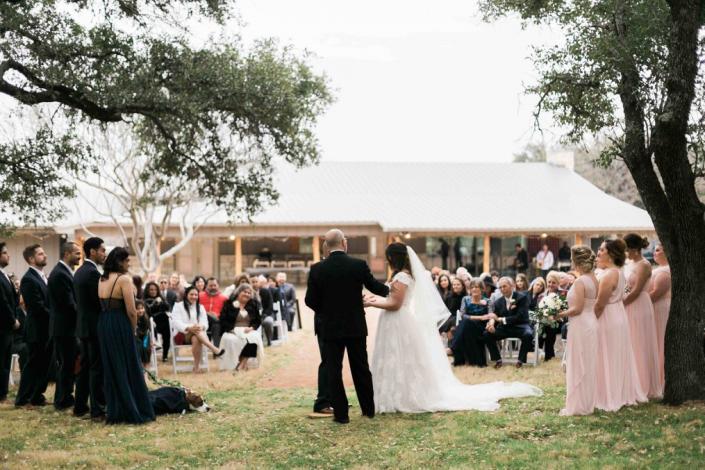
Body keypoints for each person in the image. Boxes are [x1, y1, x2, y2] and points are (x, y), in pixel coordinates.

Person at [365, 243, 542, 413]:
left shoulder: (402, 277)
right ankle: (393, 395)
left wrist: (373, 303)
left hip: (397, 320)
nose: (386, 261)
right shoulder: (403, 275)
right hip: (395, 320)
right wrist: (376, 300)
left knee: (399, 356)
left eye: (388, 257)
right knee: (396, 357)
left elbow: (395, 304)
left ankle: (401, 396)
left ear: (393, 258)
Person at [305, 229, 389, 424]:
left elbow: (310, 300)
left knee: (334, 370)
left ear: (326, 245)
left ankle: (341, 415)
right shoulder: (358, 265)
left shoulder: (317, 269)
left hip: (330, 327)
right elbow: (374, 286)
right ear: (344, 242)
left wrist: (327, 310)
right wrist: (392, 290)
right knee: (361, 367)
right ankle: (368, 410)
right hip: (355, 325)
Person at [98, 247, 155, 424]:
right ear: (120, 261)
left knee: (112, 367)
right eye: (127, 260)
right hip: (120, 323)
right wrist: (132, 329)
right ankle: (132, 407)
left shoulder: (102, 279)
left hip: (104, 323)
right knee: (128, 365)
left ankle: (115, 409)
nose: (129, 264)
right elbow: (131, 310)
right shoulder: (123, 279)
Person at [594, 239, 647, 412]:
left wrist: (590, 321)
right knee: (614, 354)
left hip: (608, 316)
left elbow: (600, 304)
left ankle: (608, 394)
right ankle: (617, 391)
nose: (598, 252)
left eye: (601, 250)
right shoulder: (616, 272)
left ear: (610, 254)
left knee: (607, 354)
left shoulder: (610, 274)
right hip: (617, 314)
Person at [556, 246, 599, 416]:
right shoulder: (594, 279)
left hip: (581, 324)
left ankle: (579, 405)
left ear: (577, 262)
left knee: (579, 362)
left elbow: (577, 308)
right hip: (590, 322)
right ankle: (586, 402)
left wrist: (558, 314)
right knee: (587, 363)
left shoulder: (581, 281)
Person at [623, 234, 662, 399]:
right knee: (631, 342)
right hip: (628, 303)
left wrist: (620, 303)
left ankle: (645, 385)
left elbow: (637, 290)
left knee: (640, 342)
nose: (625, 253)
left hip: (639, 304)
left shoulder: (644, 265)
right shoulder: (629, 264)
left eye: (626, 249)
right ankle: (633, 383)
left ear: (633, 249)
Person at [73, 237, 107, 419]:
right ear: (92, 251)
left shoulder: (80, 271)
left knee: (85, 368)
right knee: (96, 369)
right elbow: (98, 302)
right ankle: (97, 410)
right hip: (93, 328)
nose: (104, 253)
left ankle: (80, 406)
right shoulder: (92, 273)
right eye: (102, 250)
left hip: (83, 327)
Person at [15, 244, 52, 408]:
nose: (44, 256)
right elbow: (36, 306)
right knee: (32, 365)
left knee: (44, 364)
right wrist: (55, 317)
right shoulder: (29, 279)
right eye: (40, 254)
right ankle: (22, 399)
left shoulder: (43, 276)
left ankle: (37, 396)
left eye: (44, 253)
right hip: (36, 329)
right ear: (31, 259)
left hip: (46, 329)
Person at [47, 241, 81, 410]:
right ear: (67, 254)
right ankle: (62, 400)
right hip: (64, 328)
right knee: (66, 365)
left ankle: (66, 396)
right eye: (76, 253)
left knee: (68, 364)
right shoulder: (60, 274)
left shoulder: (65, 272)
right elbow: (68, 304)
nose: (79, 256)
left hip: (66, 327)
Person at [482, 277, 534, 368]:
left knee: (528, 334)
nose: (502, 289)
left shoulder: (522, 298)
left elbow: (519, 317)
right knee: (487, 334)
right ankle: (497, 359)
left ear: (512, 286)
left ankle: (520, 360)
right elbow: (495, 315)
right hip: (505, 328)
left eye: (504, 286)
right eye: (500, 287)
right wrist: (491, 324)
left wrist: (500, 319)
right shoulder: (498, 302)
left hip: (520, 325)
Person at [171, 285, 225, 372]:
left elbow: (205, 323)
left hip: (198, 334)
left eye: (196, 295)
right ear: (186, 295)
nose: (194, 297)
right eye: (191, 294)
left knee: (196, 338)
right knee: (196, 332)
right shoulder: (178, 306)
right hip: (182, 334)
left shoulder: (200, 307)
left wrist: (201, 326)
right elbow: (176, 322)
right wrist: (189, 328)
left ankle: (196, 367)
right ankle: (213, 348)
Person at [219, 283, 263, 371]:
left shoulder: (253, 304)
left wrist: (251, 328)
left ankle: (242, 363)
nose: (247, 294)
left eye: (249, 293)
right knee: (231, 339)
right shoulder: (229, 303)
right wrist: (232, 330)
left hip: (248, 330)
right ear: (239, 292)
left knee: (253, 338)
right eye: (244, 292)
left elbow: (258, 321)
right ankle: (236, 362)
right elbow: (223, 319)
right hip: (232, 330)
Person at [447, 279, 491, 367]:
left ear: (482, 289)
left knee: (465, 323)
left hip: (480, 327)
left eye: (477, 287)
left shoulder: (487, 301)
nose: (474, 289)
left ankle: (452, 349)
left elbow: (489, 316)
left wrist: (482, 318)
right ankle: (461, 357)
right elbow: (462, 315)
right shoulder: (466, 299)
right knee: (465, 322)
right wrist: (480, 317)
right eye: (472, 287)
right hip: (467, 326)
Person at [0, 242, 20, 402]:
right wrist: (13, 319)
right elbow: (3, 301)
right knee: (1, 361)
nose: (9, 255)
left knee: (6, 360)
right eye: (5, 253)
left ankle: (3, 393)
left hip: (7, 327)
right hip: (2, 325)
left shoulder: (4, 274)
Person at [649, 242, 670, 388]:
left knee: (660, 340)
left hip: (660, 308)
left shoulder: (666, 271)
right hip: (655, 308)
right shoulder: (659, 269)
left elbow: (657, 293)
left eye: (657, 250)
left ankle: (660, 379)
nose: (654, 253)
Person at [143, 281, 171, 362]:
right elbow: (148, 311)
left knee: (167, 324)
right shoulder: (145, 300)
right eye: (151, 289)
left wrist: (162, 302)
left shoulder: (161, 298)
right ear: (147, 291)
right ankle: (155, 341)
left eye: (155, 289)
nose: (153, 291)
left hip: (162, 323)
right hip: (150, 323)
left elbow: (168, 308)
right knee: (160, 317)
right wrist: (155, 302)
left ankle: (165, 355)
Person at [540, 271, 564, 361]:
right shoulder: (542, 295)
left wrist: (552, 315)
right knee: (545, 324)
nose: (551, 284)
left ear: (558, 283)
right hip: (544, 321)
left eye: (554, 282)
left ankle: (544, 351)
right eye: (549, 282)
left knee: (550, 326)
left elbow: (563, 309)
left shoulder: (562, 294)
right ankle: (548, 354)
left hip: (559, 320)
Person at [199, 278, 228, 347]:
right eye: (210, 285)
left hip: (217, 322)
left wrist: (217, 316)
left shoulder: (224, 298)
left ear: (218, 286)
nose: (213, 287)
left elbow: (226, 313)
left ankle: (216, 350)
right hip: (201, 321)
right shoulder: (199, 296)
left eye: (215, 285)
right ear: (206, 286)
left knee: (217, 325)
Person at [252, 275, 275, 346]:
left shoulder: (265, 291)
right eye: (253, 282)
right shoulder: (249, 293)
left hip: (266, 315)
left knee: (269, 322)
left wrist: (264, 315)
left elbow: (270, 306)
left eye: (256, 282)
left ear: (259, 283)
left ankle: (269, 340)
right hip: (253, 317)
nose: (255, 284)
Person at [134, 300, 151, 366]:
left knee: (145, 348)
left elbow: (147, 333)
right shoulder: (133, 320)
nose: (141, 310)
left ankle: (145, 367)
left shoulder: (146, 319)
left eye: (142, 308)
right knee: (138, 347)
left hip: (145, 338)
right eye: (138, 309)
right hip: (136, 339)